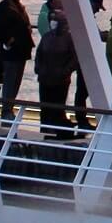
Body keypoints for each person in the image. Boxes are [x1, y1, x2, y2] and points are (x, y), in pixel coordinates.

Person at [0, 0, 35, 127]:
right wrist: (10, 41)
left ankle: (9, 108)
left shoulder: (18, 7)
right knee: (10, 80)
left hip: (21, 50)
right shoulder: (5, 7)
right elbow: (0, 28)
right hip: (11, 52)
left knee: (15, 81)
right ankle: (6, 110)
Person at [34, 8, 78, 140]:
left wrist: (64, 72)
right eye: (52, 20)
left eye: (56, 20)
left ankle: (58, 132)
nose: (53, 22)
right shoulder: (47, 37)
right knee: (45, 108)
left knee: (58, 108)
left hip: (61, 80)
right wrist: (39, 69)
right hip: (44, 78)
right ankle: (45, 131)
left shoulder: (69, 39)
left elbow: (74, 59)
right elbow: (39, 54)